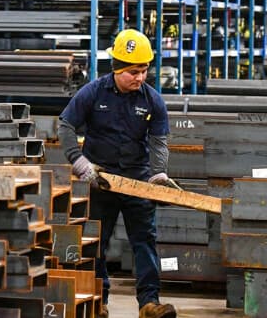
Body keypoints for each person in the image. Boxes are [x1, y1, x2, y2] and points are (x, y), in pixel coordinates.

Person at [58, 29, 177, 318]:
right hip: (101, 181)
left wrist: (158, 176)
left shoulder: (152, 101)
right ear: (117, 69)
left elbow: (158, 143)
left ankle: (149, 303)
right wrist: (79, 162)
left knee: (144, 242)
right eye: (133, 72)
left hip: (138, 183)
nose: (139, 77)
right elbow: (65, 125)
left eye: (144, 70)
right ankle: (99, 301)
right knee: (97, 243)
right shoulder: (93, 93)